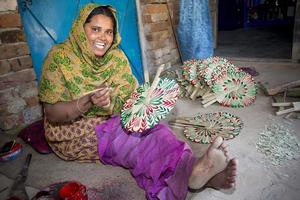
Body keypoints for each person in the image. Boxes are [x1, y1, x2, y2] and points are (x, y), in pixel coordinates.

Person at [39, 3, 238, 200]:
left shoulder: (115, 58)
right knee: (132, 145)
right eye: (95, 29)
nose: (103, 38)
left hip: (115, 118)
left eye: (108, 32)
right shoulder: (60, 57)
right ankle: (189, 174)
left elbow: (129, 104)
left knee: (157, 131)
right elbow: (53, 113)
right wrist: (85, 102)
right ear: (81, 28)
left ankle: (198, 170)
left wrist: (144, 104)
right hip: (75, 129)